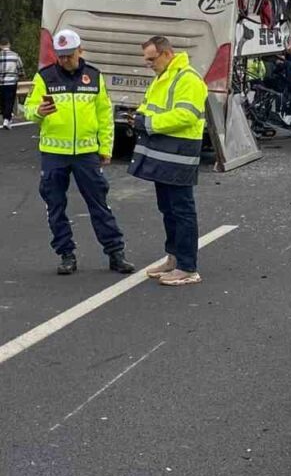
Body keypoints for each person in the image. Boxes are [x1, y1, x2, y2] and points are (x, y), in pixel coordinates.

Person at [24, 29, 130, 276]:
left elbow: (105, 115)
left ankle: (116, 253)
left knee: (99, 204)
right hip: (54, 153)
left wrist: (105, 148)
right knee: (55, 205)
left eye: (69, 56)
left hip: (86, 153)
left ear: (80, 51)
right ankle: (66, 254)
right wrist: (38, 111)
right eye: (60, 56)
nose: (64, 60)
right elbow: (28, 110)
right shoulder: (45, 77)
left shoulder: (93, 77)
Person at [132, 36, 208, 287]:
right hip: (163, 152)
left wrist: (150, 123)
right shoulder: (162, 78)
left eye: (152, 59)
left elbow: (187, 115)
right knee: (167, 208)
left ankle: (188, 266)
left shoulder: (188, 79)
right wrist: (139, 117)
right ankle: (174, 258)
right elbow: (148, 106)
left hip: (180, 152)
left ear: (167, 54)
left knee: (182, 209)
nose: (149, 64)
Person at [0, 37, 25, 129]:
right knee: (10, 100)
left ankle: (5, 117)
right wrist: (21, 76)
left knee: (2, 100)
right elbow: (20, 68)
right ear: (9, 44)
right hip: (11, 81)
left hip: (0, 82)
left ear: (0, 46)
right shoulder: (15, 55)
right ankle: (7, 119)